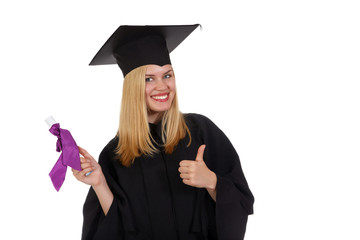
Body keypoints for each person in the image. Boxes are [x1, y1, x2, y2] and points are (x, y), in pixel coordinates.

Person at [72, 24, 254, 240]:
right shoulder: (115, 154)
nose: (162, 86)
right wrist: (100, 184)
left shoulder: (200, 131)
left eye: (167, 75)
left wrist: (212, 181)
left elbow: (242, 202)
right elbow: (117, 228)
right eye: (149, 79)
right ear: (132, 87)